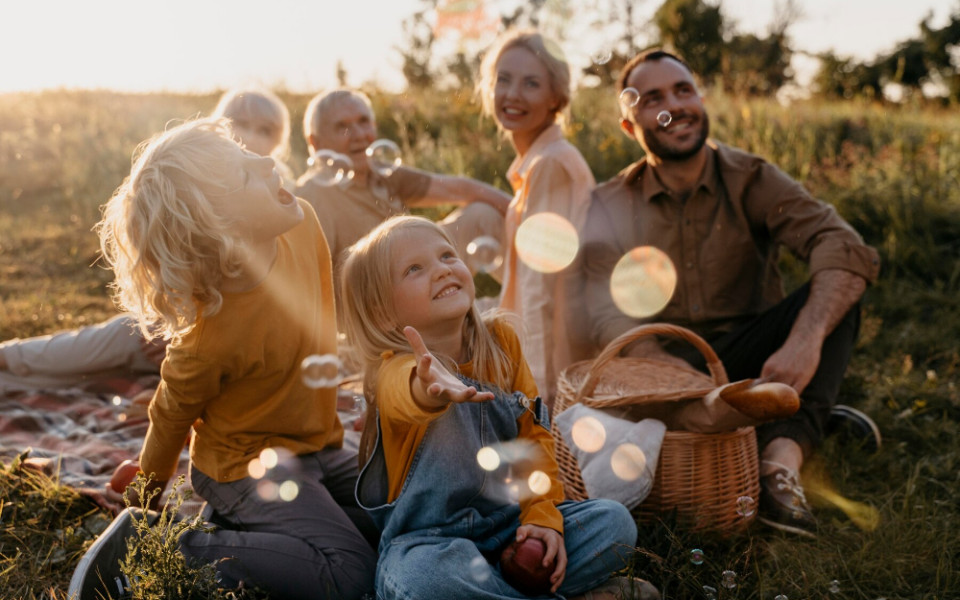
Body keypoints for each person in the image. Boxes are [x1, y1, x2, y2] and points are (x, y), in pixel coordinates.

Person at [577, 49, 882, 538]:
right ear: (630, 126)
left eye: (683, 90)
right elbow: (603, 310)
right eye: (652, 97)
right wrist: (655, 360)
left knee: (834, 296)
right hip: (670, 371)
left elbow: (843, 246)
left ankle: (778, 463)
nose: (675, 105)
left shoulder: (752, 179)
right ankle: (792, 417)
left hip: (754, 355)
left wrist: (803, 340)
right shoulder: (609, 204)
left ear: (700, 99)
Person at [75, 119, 376, 600]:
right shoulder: (207, 339)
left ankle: (249, 533)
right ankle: (162, 544)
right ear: (220, 229)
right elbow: (170, 413)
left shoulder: (303, 224)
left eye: (246, 153)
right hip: (242, 468)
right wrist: (147, 494)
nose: (265, 160)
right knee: (352, 574)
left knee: (400, 513)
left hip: (316, 444)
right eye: (243, 173)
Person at [339, 215, 659, 600]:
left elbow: (534, 440)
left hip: (512, 529)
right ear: (383, 312)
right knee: (422, 582)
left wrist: (544, 521)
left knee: (613, 523)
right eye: (414, 269)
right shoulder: (395, 370)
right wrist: (428, 389)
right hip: (431, 546)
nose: (442, 270)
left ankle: (499, 591)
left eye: (446, 256)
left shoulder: (502, 344)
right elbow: (404, 392)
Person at [0, 89, 297, 397]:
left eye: (265, 130)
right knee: (115, 338)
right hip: (178, 323)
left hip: (228, 344)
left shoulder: (286, 199)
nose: (250, 135)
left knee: (105, 361)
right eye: (240, 123)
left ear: (280, 141)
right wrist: (176, 320)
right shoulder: (196, 188)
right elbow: (176, 262)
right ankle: (9, 359)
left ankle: (13, 363)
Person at [295, 88, 510, 320]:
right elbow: (311, 285)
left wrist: (527, 214)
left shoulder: (379, 172)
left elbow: (457, 188)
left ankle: (536, 293)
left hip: (417, 274)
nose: (358, 134)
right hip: (378, 310)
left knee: (483, 214)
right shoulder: (313, 194)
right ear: (315, 143)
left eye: (364, 121)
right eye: (342, 127)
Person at [476, 29, 596, 404]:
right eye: (504, 79)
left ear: (555, 99)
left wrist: (537, 397)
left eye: (531, 84)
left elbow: (538, 290)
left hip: (558, 357)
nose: (512, 94)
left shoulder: (550, 165)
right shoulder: (538, 163)